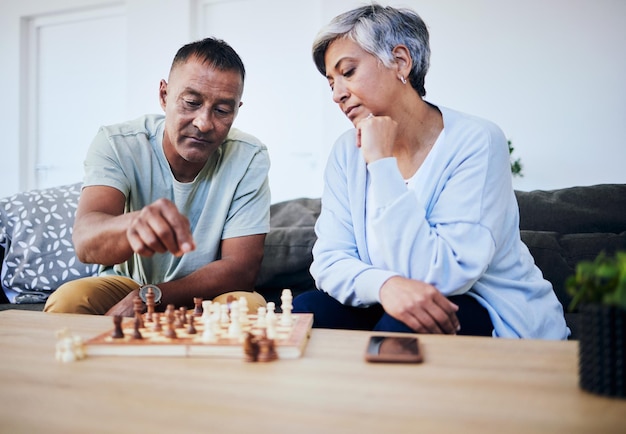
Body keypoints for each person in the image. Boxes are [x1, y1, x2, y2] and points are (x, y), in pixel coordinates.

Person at [292, 4, 569, 339]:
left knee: (406, 328)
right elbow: (329, 261)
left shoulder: (476, 140)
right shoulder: (344, 152)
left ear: (400, 61)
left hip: (484, 310)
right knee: (307, 309)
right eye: (331, 82)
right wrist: (385, 286)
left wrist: (381, 164)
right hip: (388, 303)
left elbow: (444, 274)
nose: (337, 94)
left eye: (347, 72)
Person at [44, 37, 271, 317]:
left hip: (209, 293)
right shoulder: (117, 143)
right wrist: (133, 225)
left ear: (237, 110)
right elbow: (86, 243)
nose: (203, 123)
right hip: (128, 283)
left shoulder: (249, 157)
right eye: (191, 103)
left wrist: (150, 297)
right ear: (164, 96)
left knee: (247, 308)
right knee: (68, 300)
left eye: (222, 110)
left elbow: (241, 269)